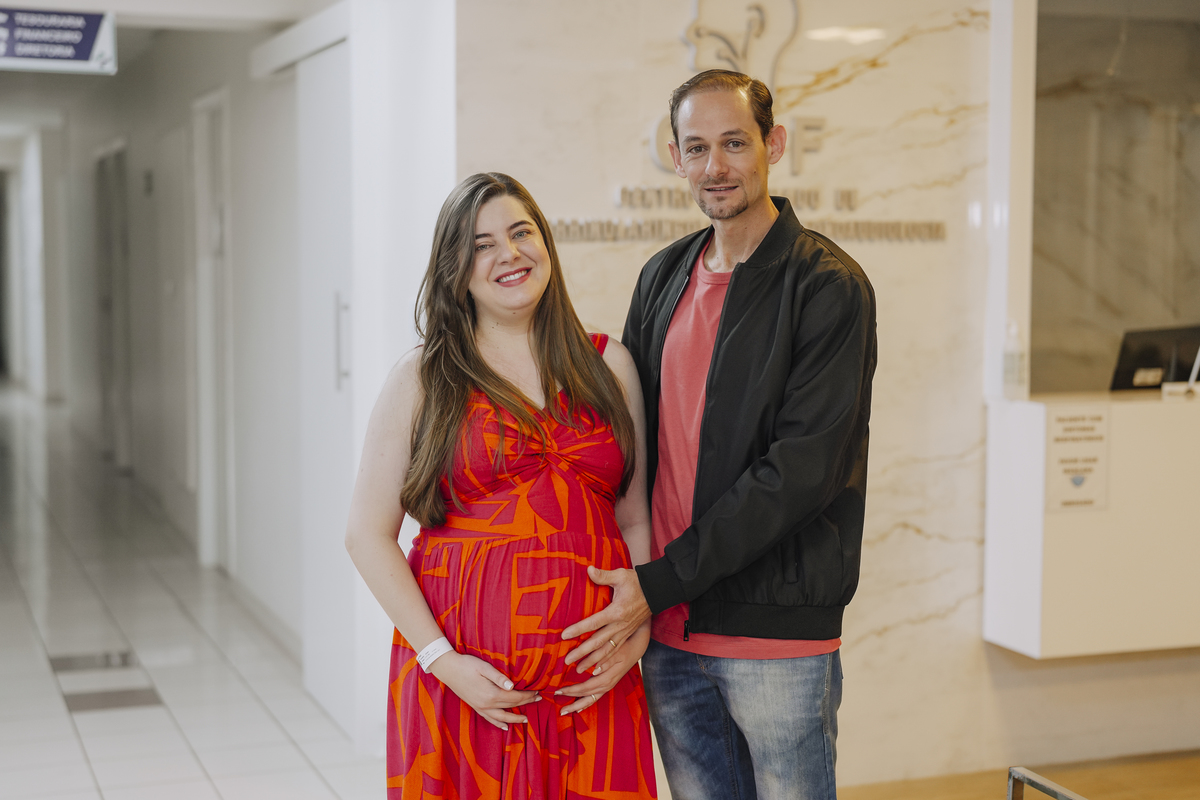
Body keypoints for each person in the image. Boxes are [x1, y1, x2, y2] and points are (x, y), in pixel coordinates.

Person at [561, 70, 877, 800]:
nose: (716, 166)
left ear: (774, 144)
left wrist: (658, 582)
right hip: (669, 630)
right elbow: (626, 436)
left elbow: (801, 471)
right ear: (675, 157)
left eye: (735, 143)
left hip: (774, 637)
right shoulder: (663, 275)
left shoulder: (826, 285)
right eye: (697, 148)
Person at [345, 172, 658, 799]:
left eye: (521, 233)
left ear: (545, 243)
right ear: (455, 270)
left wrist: (639, 626)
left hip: (591, 682)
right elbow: (367, 535)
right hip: (469, 690)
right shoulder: (424, 377)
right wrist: (441, 660)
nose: (509, 254)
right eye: (482, 244)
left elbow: (634, 520)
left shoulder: (610, 364)